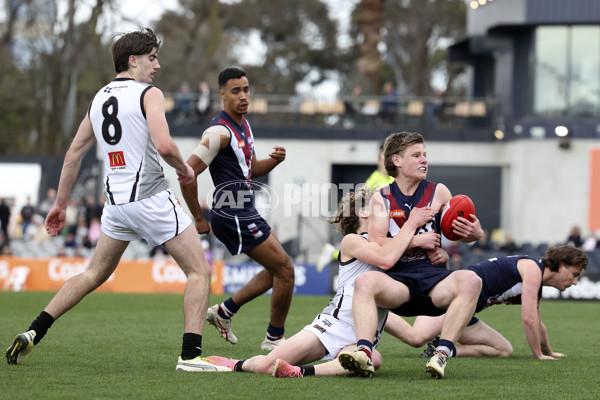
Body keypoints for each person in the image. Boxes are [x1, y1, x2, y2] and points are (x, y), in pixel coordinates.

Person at [5, 28, 228, 372]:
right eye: (152, 58)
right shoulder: (149, 93)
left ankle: (34, 330)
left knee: (93, 273)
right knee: (199, 271)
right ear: (133, 60)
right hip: (151, 198)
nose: (157, 65)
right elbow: (165, 145)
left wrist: (60, 205)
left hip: (117, 207)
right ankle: (190, 355)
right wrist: (184, 169)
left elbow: (72, 154)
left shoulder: (98, 98)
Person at [203, 186, 434, 377]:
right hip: (332, 327)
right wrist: (414, 233)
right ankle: (233, 363)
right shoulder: (353, 241)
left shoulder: (394, 243)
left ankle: (300, 372)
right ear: (364, 214)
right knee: (265, 366)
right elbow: (385, 256)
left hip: (361, 335)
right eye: (380, 207)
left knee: (374, 358)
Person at [338, 131, 484, 379]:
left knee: (472, 280)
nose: (424, 160)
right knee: (364, 282)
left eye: (425, 155)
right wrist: (416, 238)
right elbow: (380, 247)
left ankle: (441, 355)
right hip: (398, 284)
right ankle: (364, 352)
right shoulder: (380, 198)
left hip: (433, 282)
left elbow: (472, 228)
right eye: (416, 155)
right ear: (396, 160)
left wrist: (475, 232)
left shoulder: (439, 192)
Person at [180, 67, 295, 352]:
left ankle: (224, 312)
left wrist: (274, 162)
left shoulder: (243, 126)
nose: (243, 96)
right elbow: (187, 173)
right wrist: (197, 217)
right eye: (235, 91)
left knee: (276, 270)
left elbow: (251, 170)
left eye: (246, 90)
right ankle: (274, 339)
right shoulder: (219, 132)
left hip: (246, 210)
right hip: (231, 215)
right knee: (286, 270)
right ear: (222, 95)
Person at [385, 245, 587, 360]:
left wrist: (548, 351)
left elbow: (537, 322)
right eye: (575, 274)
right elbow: (528, 319)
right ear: (561, 266)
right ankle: (372, 311)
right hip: (454, 299)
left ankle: (444, 349)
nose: (575, 281)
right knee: (415, 337)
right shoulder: (533, 269)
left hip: (467, 311)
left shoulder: (536, 279)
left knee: (503, 350)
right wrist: (539, 356)